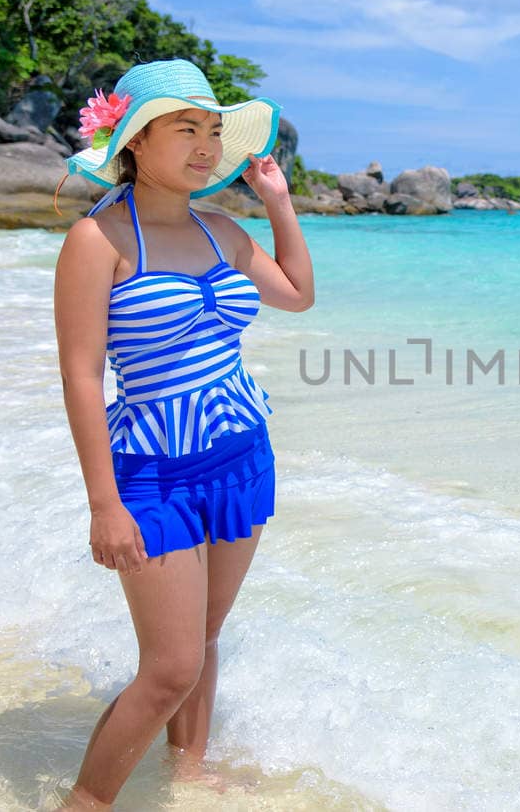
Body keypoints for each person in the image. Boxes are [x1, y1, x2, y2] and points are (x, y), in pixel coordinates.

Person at [50, 58, 314, 810]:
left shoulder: (222, 229)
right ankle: (87, 802)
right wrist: (104, 504)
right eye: (184, 129)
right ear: (134, 140)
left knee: (200, 641)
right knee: (168, 668)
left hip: (240, 457)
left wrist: (278, 203)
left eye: (211, 131)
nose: (204, 145)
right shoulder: (97, 242)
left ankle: (188, 778)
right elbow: (82, 376)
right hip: (153, 474)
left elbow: (296, 295)